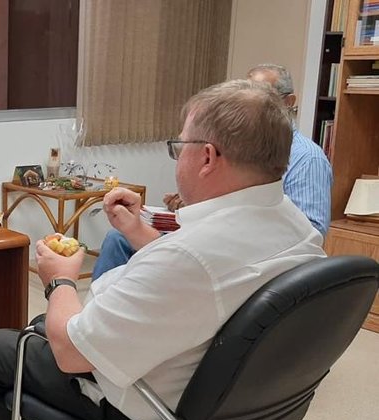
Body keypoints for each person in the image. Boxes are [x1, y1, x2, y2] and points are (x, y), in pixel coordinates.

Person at [0, 80, 325, 420]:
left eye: (179, 146)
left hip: (151, 417)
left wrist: (60, 280)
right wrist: (137, 232)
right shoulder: (293, 224)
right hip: (235, 416)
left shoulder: (189, 257)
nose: (177, 158)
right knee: (43, 327)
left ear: (207, 157)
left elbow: (71, 356)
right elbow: (211, 278)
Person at [91, 63, 333, 280]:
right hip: (215, 247)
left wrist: (68, 281)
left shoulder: (306, 159)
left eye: (264, 96)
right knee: (119, 239)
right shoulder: (254, 198)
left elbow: (311, 231)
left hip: (224, 253)